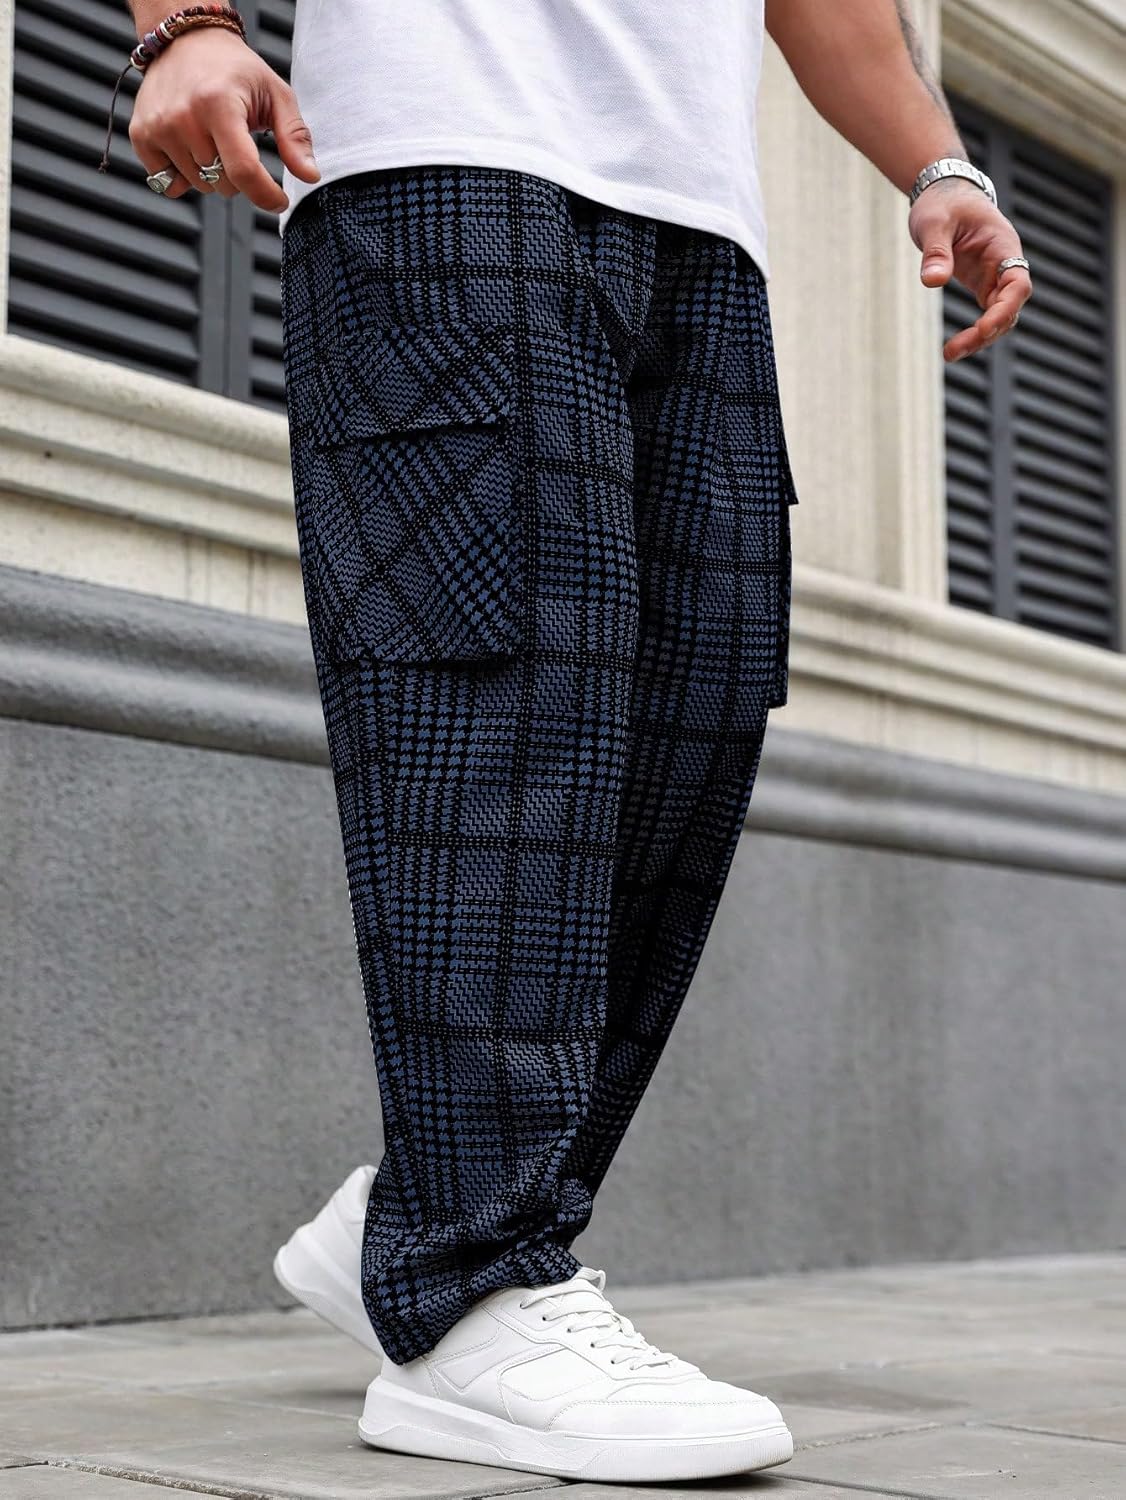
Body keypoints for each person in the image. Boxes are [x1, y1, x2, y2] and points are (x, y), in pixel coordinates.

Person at [124, 0, 1031, 1483]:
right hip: (442, 162)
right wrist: (182, 26)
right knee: (498, 723)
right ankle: (469, 1292)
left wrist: (941, 167)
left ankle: (423, 1212)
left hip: (700, 230)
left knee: (692, 718)